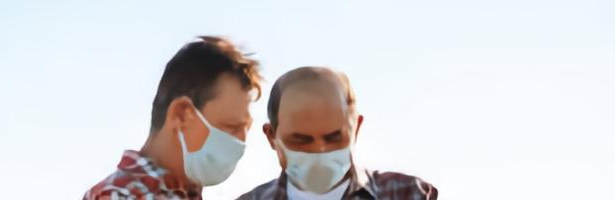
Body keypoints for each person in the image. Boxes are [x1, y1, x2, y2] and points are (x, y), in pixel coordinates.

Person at [83, 36, 264, 200]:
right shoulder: (120, 195)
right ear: (181, 114)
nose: (241, 142)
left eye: (246, 129)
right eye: (230, 126)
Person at [236, 67, 437, 200]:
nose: (319, 151)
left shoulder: (408, 194)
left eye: (334, 137)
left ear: (355, 128)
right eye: (301, 140)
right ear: (271, 136)